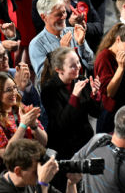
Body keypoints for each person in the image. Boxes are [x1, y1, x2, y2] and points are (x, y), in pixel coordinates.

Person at [40, 47, 100, 191]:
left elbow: (95, 113)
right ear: (59, 70)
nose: (78, 67)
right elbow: (62, 123)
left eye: (78, 63)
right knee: (69, 185)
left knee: (88, 184)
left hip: (84, 143)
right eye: (72, 66)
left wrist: (95, 95)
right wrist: (74, 96)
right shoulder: (49, 89)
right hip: (64, 147)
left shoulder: (81, 80)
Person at [29, 0, 94, 86]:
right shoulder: (37, 44)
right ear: (44, 17)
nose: (64, 17)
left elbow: (91, 64)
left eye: (64, 12)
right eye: (58, 14)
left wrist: (81, 44)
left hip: (82, 90)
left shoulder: (74, 32)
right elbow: (43, 80)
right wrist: (62, 54)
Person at [0, 139, 81, 193]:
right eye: (36, 172)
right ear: (18, 171)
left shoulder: (32, 181)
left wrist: (71, 183)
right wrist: (42, 184)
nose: (40, 174)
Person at [0, 72, 47, 158]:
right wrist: (23, 125)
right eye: (9, 90)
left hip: (33, 158)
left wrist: (34, 126)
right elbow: (6, 154)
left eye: (15, 88)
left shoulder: (21, 108)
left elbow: (44, 142)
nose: (14, 92)